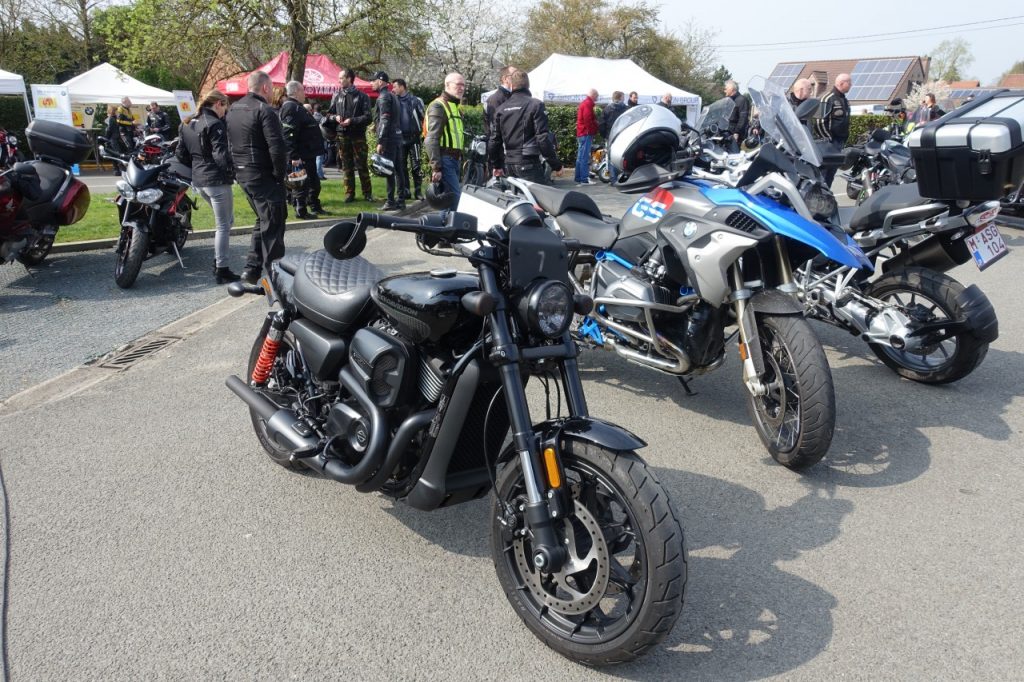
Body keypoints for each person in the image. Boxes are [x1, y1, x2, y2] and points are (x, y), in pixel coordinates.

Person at [225, 70, 288, 283]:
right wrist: (280, 176)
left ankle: (251, 269)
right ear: (265, 88)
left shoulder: (233, 109)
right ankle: (275, 278)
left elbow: (228, 143)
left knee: (264, 220)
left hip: (243, 174)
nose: (272, 93)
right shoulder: (264, 110)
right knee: (274, 223)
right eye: (271, 89)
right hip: (262, 174)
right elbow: (276, 147)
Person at [175, 89, 240, 284]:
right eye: (225, 107)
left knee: (226, 222)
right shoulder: (215, 124)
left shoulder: (186, 124)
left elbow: (181, 154)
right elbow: (221, 155)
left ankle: (221, 264)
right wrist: (233, 173)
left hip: (199, 180)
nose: (225, 112)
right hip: (215, 180)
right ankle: (221, 268)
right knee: (224, 225)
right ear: (218, 103)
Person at [488, 69, 563, 183]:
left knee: (515, 199)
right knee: (536, 200)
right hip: (528, 163)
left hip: (509, 164)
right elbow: (542, 138)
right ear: (528, 85)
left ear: (512, 85)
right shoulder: (536, 105)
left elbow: (494, 140)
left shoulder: (501, 109)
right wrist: (556, 165)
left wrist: (496, 165)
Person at [280, 80, 327, 219]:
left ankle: (314, 205)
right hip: (301, 154)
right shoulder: (290, 108)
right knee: (301, 183)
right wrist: (293, 156)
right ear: (295, 92)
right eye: (302, 90)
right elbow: (288, 133)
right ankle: (301, 210)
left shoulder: (297, 107)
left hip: (308, 152)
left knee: (313, 183)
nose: (304, 93)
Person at [327, 68, 374, 203]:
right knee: (346, 166)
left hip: (358, 136)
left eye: (341, 78)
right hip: (342, 135)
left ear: (349, 79)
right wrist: (335, 117)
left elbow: (368, 117)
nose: (339, 80)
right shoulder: (336, 95)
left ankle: (367, 193)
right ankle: (349, 193)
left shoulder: (362, 96)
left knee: (362, 165)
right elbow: (328, 114)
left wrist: (352, 120)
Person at [424, 72, 466, 211]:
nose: (461, 88)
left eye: (463, 85)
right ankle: (445, 230)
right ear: (447, 85)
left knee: (449, 201)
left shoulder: (455, 106)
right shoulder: (439, 106)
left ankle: (445, 230)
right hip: (445, 159)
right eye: (458, 85)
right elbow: (431, 139)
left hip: (454, 159)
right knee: (453, 200)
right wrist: (436, 167)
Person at [370, 71, 405, 211]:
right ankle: (401, 200)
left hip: (389, 138)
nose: (371, 83)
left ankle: (391, 201)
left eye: (373, 81)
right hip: (396, 136)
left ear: (380, 81)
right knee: (398, 170)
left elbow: (385, 119)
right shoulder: (393, 96)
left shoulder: (384, 97)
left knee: (388, 170)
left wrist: (381, 141)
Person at [813, 72, 852, 187]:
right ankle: (818, 195)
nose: (851, 85)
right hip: (829, 143)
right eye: (849, 83)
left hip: (839, 143)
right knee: (824, 173)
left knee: (831, 173)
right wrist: (827, 139)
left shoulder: (844, 100)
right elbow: (819, 121)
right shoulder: (827, 98)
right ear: (841, 83)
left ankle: (826, 194)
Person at [393, 78, 425, 201]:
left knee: (416, 165)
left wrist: (423, 133)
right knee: (401, 166)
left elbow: (423, 117)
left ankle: (418, 191)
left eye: (395, 86)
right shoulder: (393, 100)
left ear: (402, 87)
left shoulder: (416, 100)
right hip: (400, 138)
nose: (393, 89)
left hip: (414, 138)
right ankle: (405, 191)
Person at [598, 91, 627, 182]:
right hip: (622, 135)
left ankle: (613, 178)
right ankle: (622, 176)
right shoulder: (625, 109)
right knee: (623, 156)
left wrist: (604, 135)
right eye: (623, 97)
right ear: (620, 98)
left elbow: (602, 124)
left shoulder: (607, 109)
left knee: (611, 157)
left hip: (610, 136)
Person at [484, 66, 516, 140]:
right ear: (505, 79)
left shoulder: (514, 96)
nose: (518, 78)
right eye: (514, 75)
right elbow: (494, 128)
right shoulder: (495, 99)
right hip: (502, 146)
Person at [574, 88, 598, 185]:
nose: (597, 98)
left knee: (580, 157)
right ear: (593, 95)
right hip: (586, 133)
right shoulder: (588, 104)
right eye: (597, 95)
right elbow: (587, 119)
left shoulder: (584, 103)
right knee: (584, 157)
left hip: (582, 133)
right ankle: (584, 178)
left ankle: (579, 177)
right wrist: (593, 130)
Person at [724, 80, 749, 153]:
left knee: (735, 153)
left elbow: (743, 118)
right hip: (727, 132)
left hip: (736, 133)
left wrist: (737, 132)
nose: (724, 90)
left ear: (732, 89)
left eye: (726, 88)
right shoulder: (728, 100)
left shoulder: (742, 100)